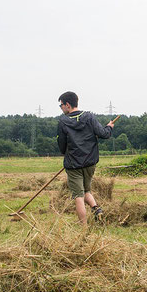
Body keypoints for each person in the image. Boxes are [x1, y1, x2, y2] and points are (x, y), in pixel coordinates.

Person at [57, 91, 114, 224]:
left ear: (67, 104)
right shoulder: (89, 117)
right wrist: (109, 127)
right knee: (86, 190)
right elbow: (104, 134)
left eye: (61, 106)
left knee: (78, 196)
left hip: (73, 165)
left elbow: (61, 145)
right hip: (90, 162)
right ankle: (97, 210)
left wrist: (66, 154)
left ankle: (83, 228)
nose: (61, 108)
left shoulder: (63, 122)